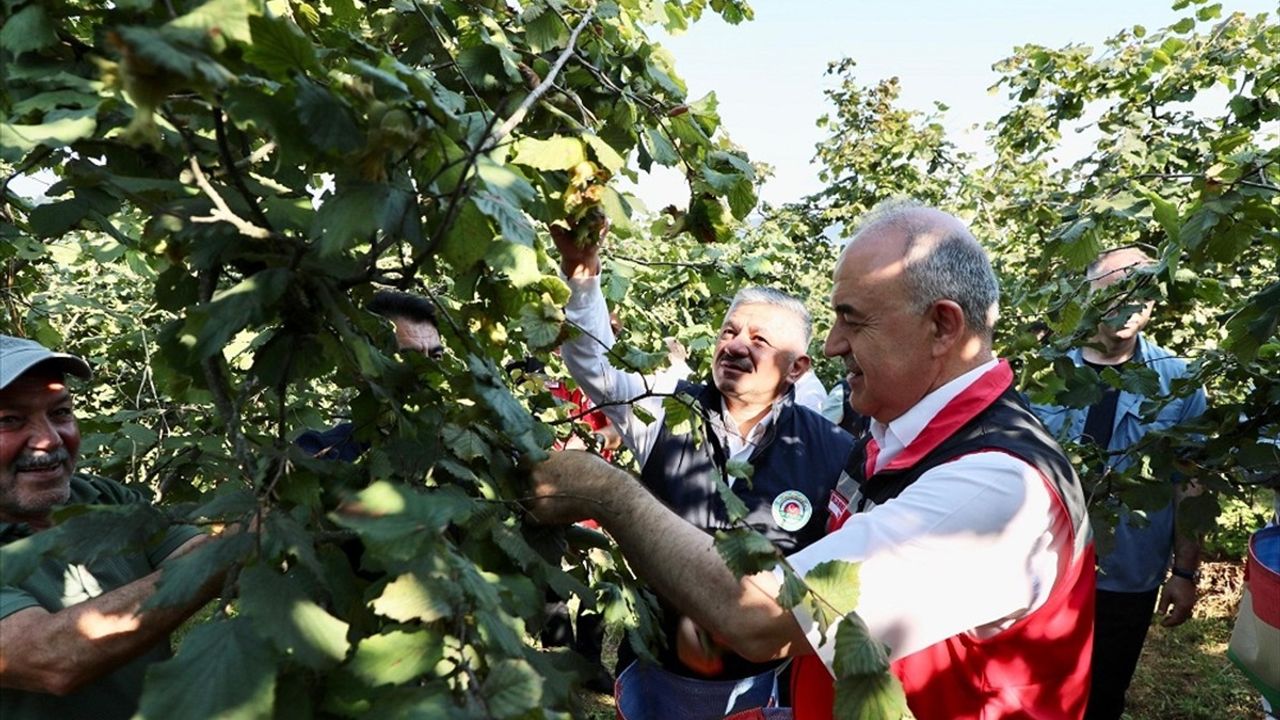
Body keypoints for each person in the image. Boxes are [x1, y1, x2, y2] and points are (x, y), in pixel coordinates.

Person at [532, 201, 1095, 719]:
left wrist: (605, 491)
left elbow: (764, 617)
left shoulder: (993, 489)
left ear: (941, 326)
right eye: (730, 331)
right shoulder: (896, 442)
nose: (834, 344)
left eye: (853, 319)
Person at [550, 226, 854, 702]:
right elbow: (596, 365)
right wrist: (583, 274)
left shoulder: (835, 452)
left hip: (761, 687)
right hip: (653, 672)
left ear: (798, 368)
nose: (735, 346)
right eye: (730, 331)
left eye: (759, 340)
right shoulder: (665, 408)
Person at [0, 335, 224, 720]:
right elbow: (49, 658)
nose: (49, 440)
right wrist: (239, 543)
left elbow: (194, 549)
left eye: (60, 412)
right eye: (9, 420)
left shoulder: (99, 496)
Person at [1032, 247, 1208, 720]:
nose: (1133, 307)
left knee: (1104, 696)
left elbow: (1189, 485)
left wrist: (1185, 573)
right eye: (1118, 294)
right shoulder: (1041, 373)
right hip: (1040, 568)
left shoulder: (1179, 382)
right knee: (1032, 692)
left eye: (1145, 295)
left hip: (1127, 575)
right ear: (1087, 294)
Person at [295, 289, 443, 461]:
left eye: (436, 357)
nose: (426, 370)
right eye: (409, 356)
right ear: (363, 368)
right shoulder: (319, 452)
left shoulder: (462, 442)